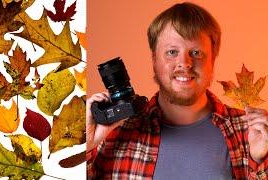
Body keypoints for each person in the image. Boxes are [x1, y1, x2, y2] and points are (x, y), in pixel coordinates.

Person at [86, 2, 268, 179]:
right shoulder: (112, 134)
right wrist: (85, 146)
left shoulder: (249, 132)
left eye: (196, 53)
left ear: (212, 60)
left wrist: (260, 162)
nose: (185, 63)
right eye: (172, 52)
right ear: (154, 60)